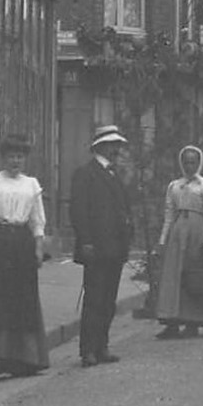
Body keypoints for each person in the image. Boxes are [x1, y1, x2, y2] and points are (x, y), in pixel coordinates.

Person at [0, 133, 49, 375]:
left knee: (22, 298)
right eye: (11, 156)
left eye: (19, 156)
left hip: (21, 243)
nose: (15, 161)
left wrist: (38, 248)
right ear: (2, 157)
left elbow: (37, 220)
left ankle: (25, 358)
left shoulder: (31, 184)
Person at [149, 145, 203, 338]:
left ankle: (193, 321)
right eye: (186, 162)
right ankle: (172, 321)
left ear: (199, 163)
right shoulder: (174, 186)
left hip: (197, 233)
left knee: (194, 275)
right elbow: (169, 215)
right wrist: (162, 241)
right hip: (177, 235)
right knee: (173, 277)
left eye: (193, 162)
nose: (189, 165)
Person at [70, 125, 133, 367]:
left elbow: (123, 209)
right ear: (100, 147)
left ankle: (102, 346)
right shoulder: (85, 174)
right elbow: (78, 210)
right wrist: (85, 240)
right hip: (95, 248)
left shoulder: (114, 175)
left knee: (108, 300)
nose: (116, 149)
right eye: (112, 145)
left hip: (115, 248)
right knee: (94, 299)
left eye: (117, 145)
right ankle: (88, 350)